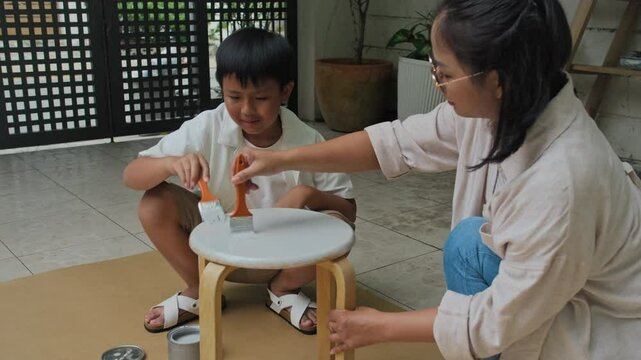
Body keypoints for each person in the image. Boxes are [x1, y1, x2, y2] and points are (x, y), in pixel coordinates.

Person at [231, 0, 641, 358]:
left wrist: (380, 327)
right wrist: (279, 159)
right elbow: (394, 142)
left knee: (488, 301)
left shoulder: (562, 182)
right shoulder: (506, 106)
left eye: (444, 73)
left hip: (594, 326)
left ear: (497, 79)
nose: (438, 83)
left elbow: (500, 316)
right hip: (550, 279)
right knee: (467, 241)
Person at [123, 27, 356, 334]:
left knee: (336, 221)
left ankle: (283, 291)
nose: (246, 110)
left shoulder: (307, 140)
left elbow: (349, 214)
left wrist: (309, 194)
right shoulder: (208, 126)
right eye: (234, 97)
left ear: (285, 92)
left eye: (260, 98)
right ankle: (201, 291)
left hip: (286, 257)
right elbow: (132, 175)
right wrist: (170, 162)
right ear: (221, 89)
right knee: (154, 202)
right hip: (215, 248)